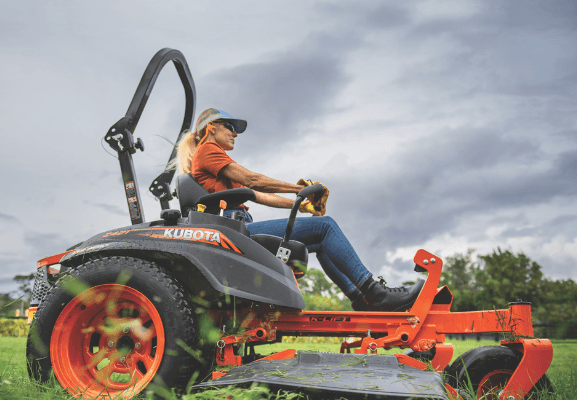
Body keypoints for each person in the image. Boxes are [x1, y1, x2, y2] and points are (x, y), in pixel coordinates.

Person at [173, 107, 424, 312]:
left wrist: (301, 205)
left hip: (238, 226)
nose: (235, 133)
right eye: (230, 126)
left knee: (322, 240)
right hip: (235, 230)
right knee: (326, 227)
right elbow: (253, 181)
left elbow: (257, 194)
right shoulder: (208, 150)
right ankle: (374, 292)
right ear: (211, 128)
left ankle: (361, 298)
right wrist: (296, 189)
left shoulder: (214, 161)